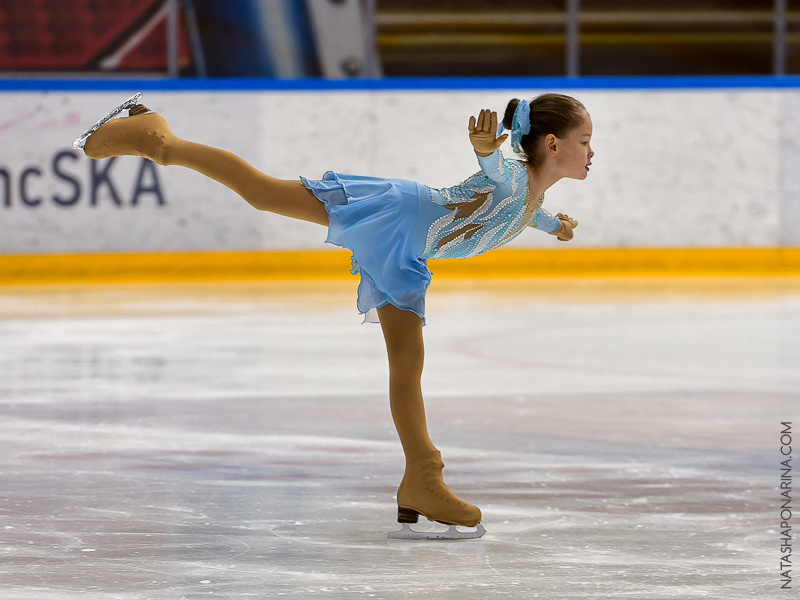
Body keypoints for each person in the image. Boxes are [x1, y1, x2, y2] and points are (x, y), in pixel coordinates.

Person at [74, 92, 592, 539]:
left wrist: (554, 226)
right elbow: (498, 176)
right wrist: (484, 152)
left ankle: (422, 476)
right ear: (551, 144)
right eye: (585, 140)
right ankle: (160, 142)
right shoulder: (512, 179)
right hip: (397, 219)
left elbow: (523, 210)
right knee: (263, 193)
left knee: (407, 363)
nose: (592, 152)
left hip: (407, 250)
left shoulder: (531, 195)